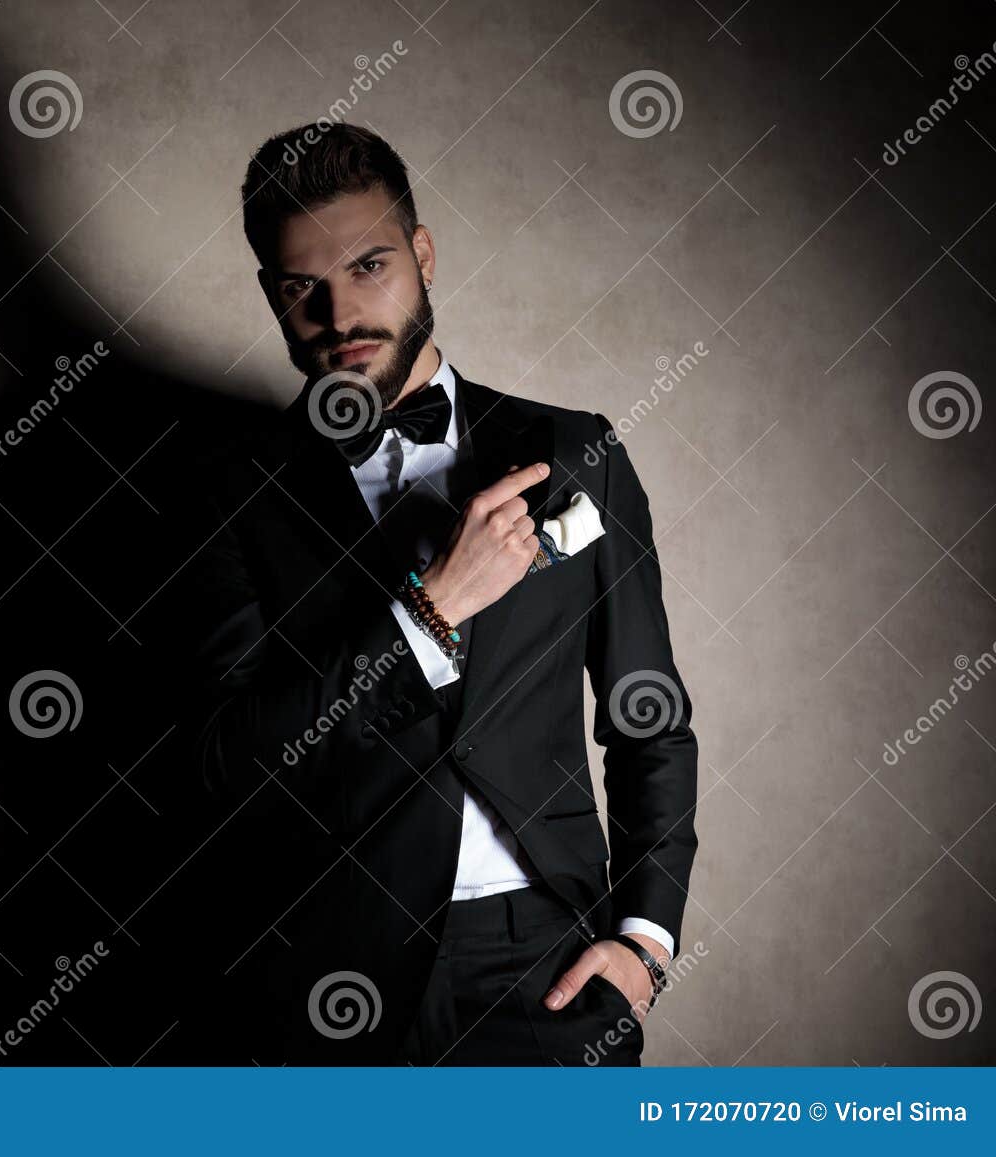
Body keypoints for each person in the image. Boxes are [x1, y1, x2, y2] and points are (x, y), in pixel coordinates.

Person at [177, 122, 699, 1064]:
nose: (339, 315)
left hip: (550, 961)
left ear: (422, 255)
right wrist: (427, 616)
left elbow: (648, 719)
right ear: (271, 296)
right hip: (331, 972)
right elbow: (220, 761)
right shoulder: (228, 495)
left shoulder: (577, 450)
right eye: (303, 288)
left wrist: (645, 940)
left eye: (369, 265)